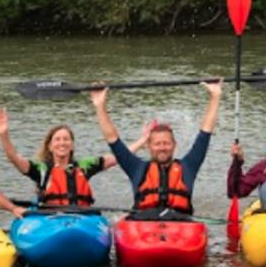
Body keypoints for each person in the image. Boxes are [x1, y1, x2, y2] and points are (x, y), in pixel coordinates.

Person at [93, 81, 221, 218]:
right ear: (148, 146)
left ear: (174, 145)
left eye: (166, 143)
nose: (162, 148)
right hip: (144, 226)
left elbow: (205, 133)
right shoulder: (136, 167)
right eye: (157, 144)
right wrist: (100, 105)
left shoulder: (188, 166)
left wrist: (215, 96)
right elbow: (112, 139)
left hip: (181, 227)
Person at [0, 108, 120, 209]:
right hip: (50, 219)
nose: (62, 143)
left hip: (81, 217)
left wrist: (140, 141)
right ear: (50, 146)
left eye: (66, 139)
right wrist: (4, 135)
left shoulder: (84, 166)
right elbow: (14, 158)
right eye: (57, 139)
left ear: (72, 145)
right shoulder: (42, 169)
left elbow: (120, 157)